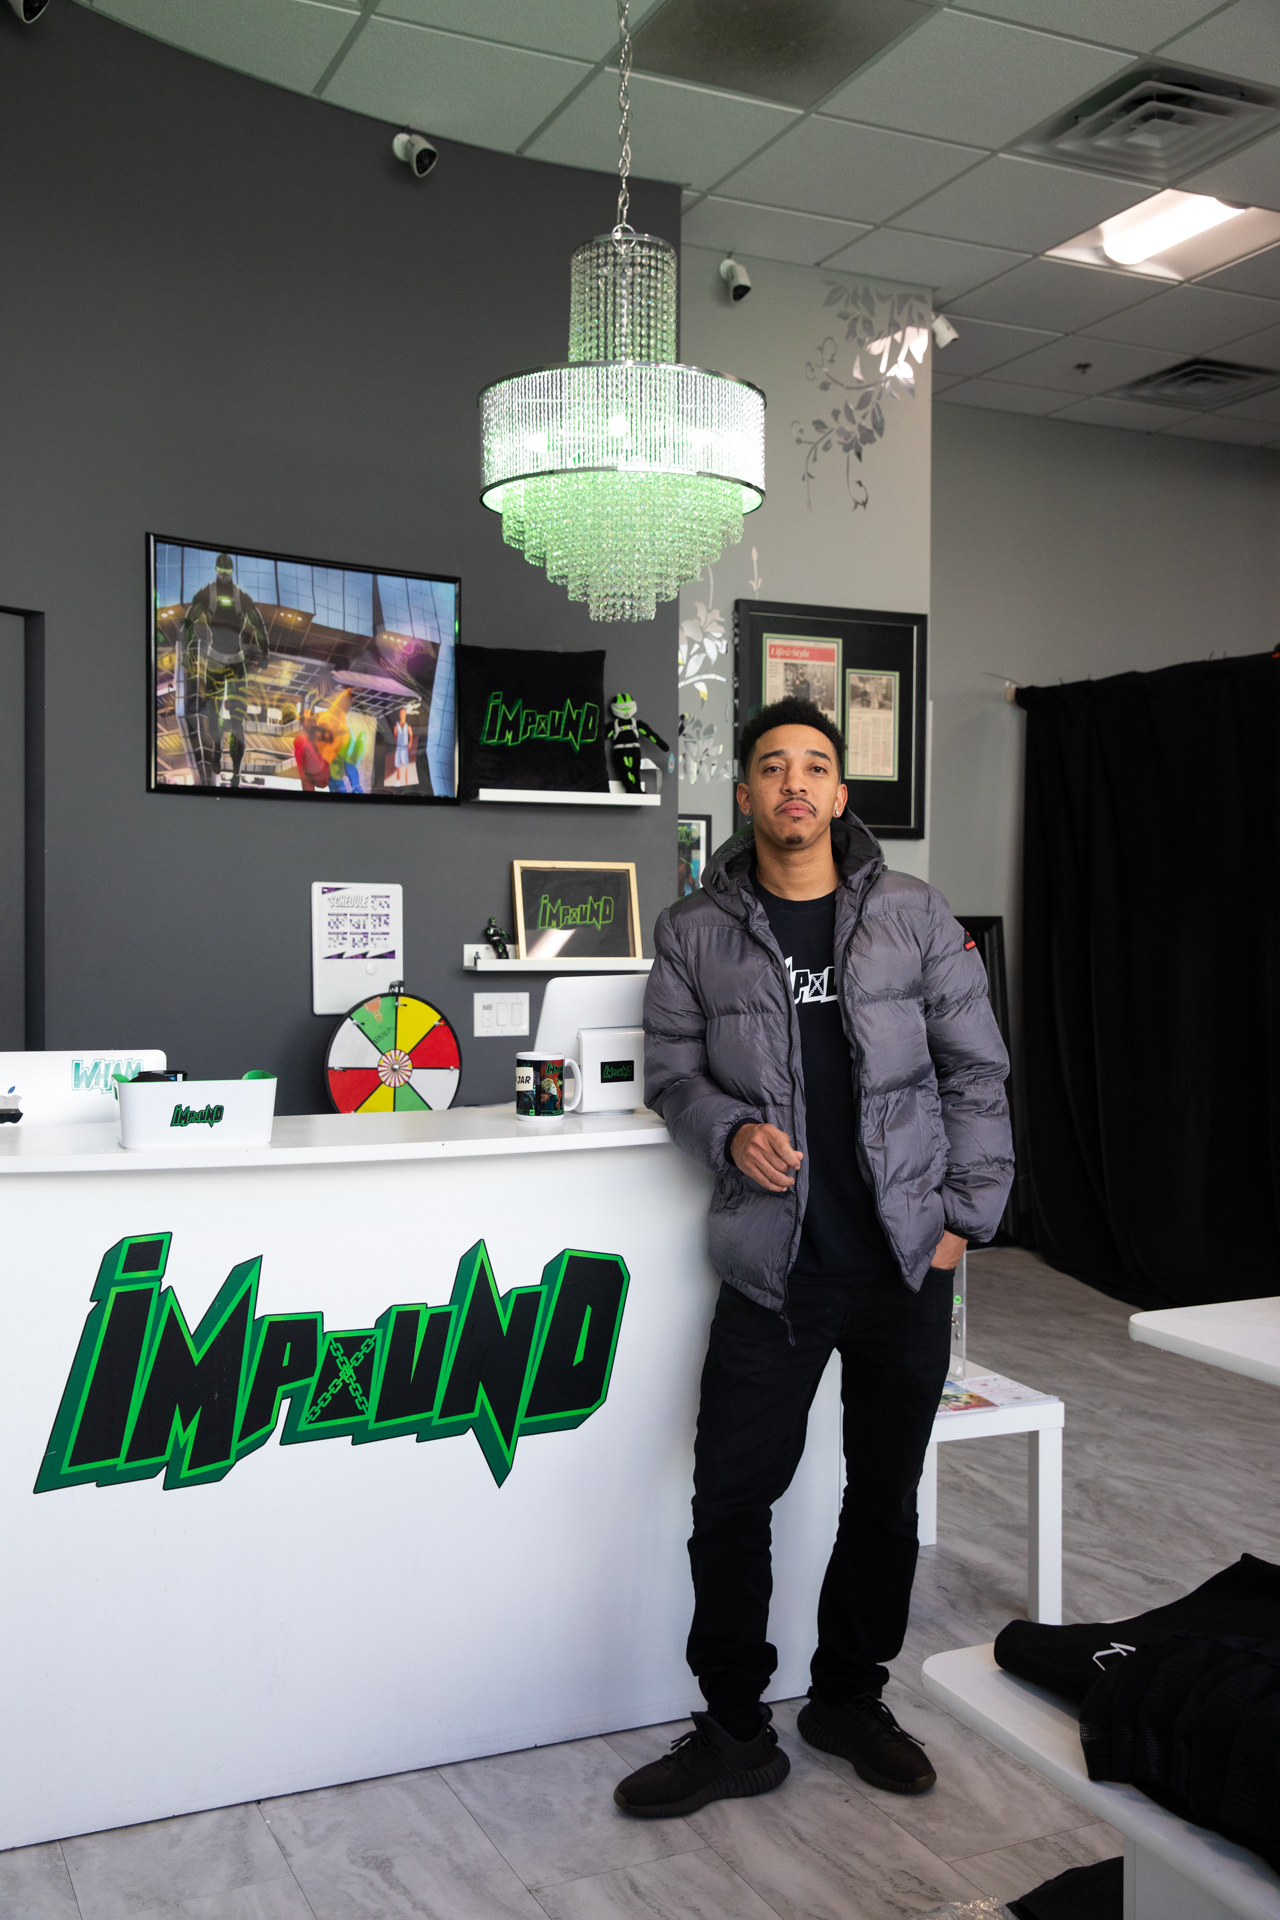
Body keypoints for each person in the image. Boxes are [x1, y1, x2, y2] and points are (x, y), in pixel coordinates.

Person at [616, 695, 1013, 1819]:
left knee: (882, 1499)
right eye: (771, 767)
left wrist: (958, 1223)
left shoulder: (915, 916)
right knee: (730, 1499)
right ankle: (735, 1729)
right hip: (770, 1268)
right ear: (742, 796)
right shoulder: (695, 930)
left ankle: (847, 1696)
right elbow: (672, 1074)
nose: (793, 783)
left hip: (898, 1266)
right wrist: (725, 1131)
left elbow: (974, 1072)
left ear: (840, 796)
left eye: (815, 766)